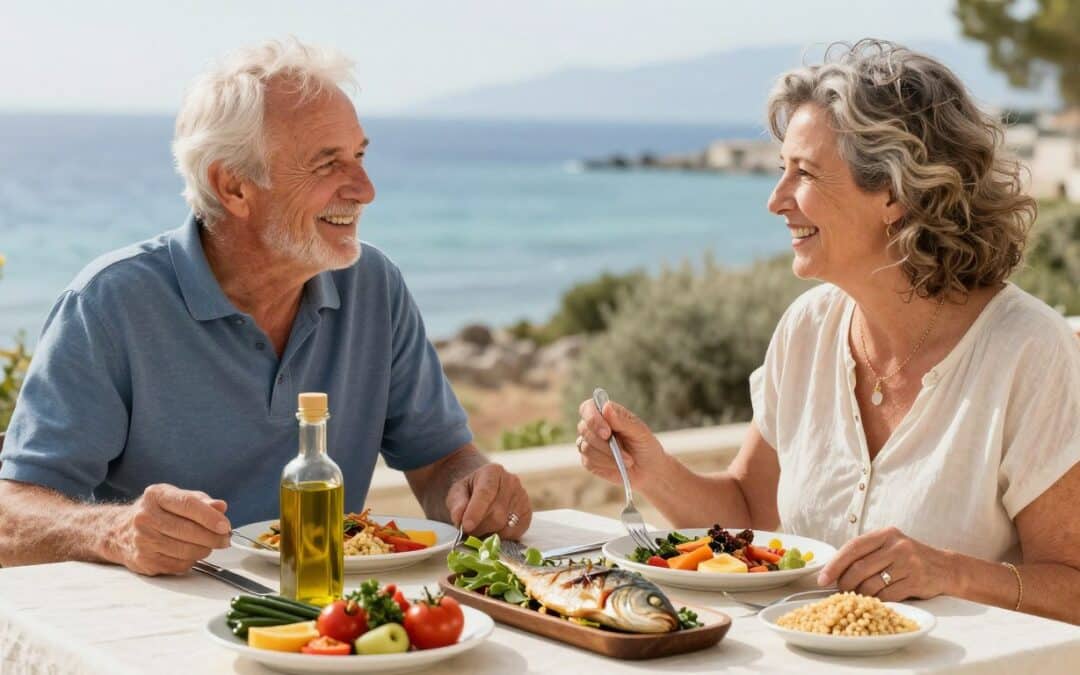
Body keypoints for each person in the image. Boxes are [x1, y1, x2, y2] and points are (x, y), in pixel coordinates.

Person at [574, 40, 1080, 623]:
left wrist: (951, 572)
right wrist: (649, 471)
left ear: (893, 193)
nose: (775, 200)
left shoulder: (1029, 352)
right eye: (781, 170)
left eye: (804, 173)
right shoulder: (807, 329)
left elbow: (1072, 584)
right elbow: (748, 510)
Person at [0, 38, 531, 576]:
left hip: (332, 618)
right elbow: (10, 516)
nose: (365, 189)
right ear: (233, 186)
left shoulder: (374, 285)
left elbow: (439, 461)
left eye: (360, 156)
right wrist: (112, 531)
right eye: (327, 165)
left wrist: (472, 488)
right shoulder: (110, 304)